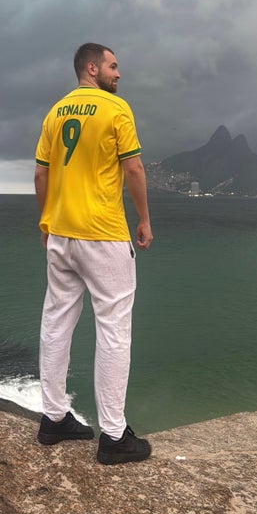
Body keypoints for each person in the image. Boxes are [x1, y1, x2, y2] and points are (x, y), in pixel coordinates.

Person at [34, 42, 153, 465]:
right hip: (103, 234)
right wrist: (144, 219)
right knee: (114, 329)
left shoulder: (55, 112)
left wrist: (46, 223)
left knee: (56, 321)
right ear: (91, 67)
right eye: (113, 66)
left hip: (61, 234)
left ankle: (53, 418)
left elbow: (41, 173)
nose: (118, 74)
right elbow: (133, 168)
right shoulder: (115, 108)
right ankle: (114, 436)